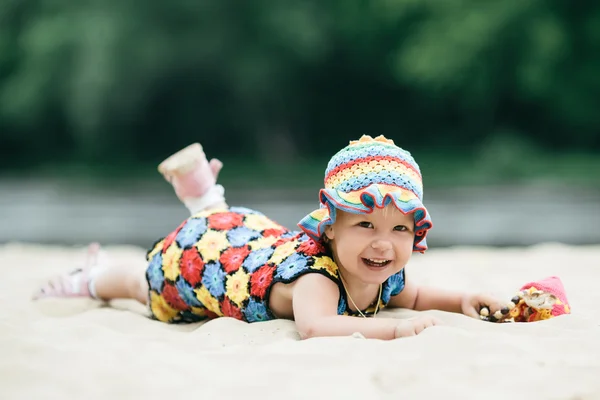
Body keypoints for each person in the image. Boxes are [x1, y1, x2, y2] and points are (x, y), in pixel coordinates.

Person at [33, 135, 510, 340]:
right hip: (206, 264)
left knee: (229, 225)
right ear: (331, 227)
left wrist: (464, 298)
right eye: (365, 225)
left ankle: (205, 197)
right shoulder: (318, 281)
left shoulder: (384, 271)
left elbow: (420, 292)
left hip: (253, 239)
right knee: (145, 284)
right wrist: (394, 328)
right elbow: (317, 327)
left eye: (399, 228)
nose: (383, 244)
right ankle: (92, 279)